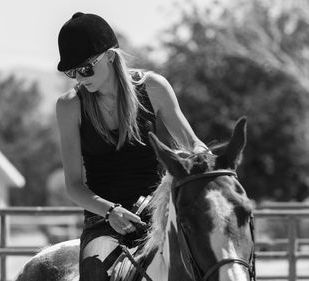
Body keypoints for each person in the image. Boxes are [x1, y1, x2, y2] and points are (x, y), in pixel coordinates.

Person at [55, 12, 207, 280]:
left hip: (158, 212)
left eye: (86, 69)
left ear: (110, 57)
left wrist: (207, 161)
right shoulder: (69, 106)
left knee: (210, 256)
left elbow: (192, 143)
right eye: (72, 72)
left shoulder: (154, 88)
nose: (80, 78)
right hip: (103, 221)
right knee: (94, 272)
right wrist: (110, 211)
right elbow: (74, 186)